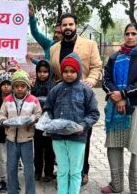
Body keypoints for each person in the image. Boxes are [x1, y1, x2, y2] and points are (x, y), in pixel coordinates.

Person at [100, 23, 137, 194]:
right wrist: (116, 98)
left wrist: (123, 94)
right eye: (127, 33)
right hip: (116, 107)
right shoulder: (115, 57)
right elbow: (106, 79)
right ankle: (116, 185)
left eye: (134, 33)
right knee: (114, 145)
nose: (130, 37)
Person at [49, 12, 102, 185]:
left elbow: (96, 67)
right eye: (64, 25)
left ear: (76, 26)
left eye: (70, 24)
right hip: (61, 97)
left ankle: (82, 171)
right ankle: (64, 170)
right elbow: (53, 72)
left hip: (81, 95)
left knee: (81, 135)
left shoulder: (89, 44)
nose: (67, 28)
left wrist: (91, 81)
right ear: (60, 28)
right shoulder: (54, 48)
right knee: (61, 136)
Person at [43, 53, 100, 194]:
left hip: (77, 138)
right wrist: (49, 123)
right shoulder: (55, 90)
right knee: (62, 171)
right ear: (61, 72)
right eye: (66, 71)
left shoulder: (86, 90)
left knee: (75, 172)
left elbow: (94, 113)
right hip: (58, 138)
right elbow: (47, 110)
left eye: (72, 71)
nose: (69, 74)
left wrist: (83, 125)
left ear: (78, 71)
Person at [0, 69, 42, 194]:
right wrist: (3, 121)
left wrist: (32, 120)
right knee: (11, 168)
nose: (19, 89)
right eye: (16, 86)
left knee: (28, 170)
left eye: (23, 86)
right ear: (13, 87)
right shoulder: (7, 100)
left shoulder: (33, 100)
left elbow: (38, 113)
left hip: (27, 140)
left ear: (27, 86)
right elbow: (2, 114)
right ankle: (12, 191)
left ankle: (30, 191)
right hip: (11, 140)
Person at [30, 60, 56, 182]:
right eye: (39, 71)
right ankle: (38, 172)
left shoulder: (54, 86)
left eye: (45, 72)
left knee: (50, 150)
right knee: (38, 149)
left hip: (50, 123)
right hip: (37, 123)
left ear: (50, 72)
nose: (42, 74)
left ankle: (49, 173)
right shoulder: (34, 86)